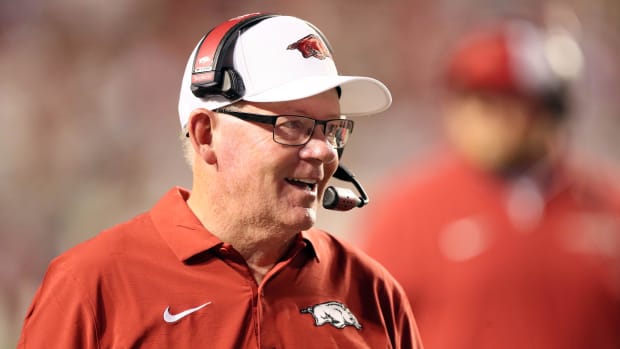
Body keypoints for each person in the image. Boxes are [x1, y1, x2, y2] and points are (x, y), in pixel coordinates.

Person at [17, 13, 424, 348]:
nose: (324, 151)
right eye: (293, 126)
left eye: (331, 129)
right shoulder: (91, 287)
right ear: (205, 134)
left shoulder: (373, 291)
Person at [359, 17, 620, 349]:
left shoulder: (607, 206)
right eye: (471, 99)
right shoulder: (407, 209)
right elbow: (366, 330)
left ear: (548, 111)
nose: (481, 119)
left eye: (502, 102)